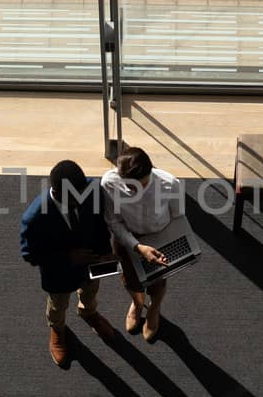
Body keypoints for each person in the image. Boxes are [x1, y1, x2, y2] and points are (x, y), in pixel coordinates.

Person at [19, 159, 115, 367]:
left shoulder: (91, 190)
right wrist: (67, 257)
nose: (82, 198)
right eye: (75, 197)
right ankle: (57, 329)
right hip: (59, 274)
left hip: (92, 264)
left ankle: (88, 312)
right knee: (58, 305)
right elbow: (29, 254)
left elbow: (99, 224)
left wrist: (106, 251)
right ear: (57, 192)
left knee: (90, 293)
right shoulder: (35, 217)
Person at [100, 146, 183, 343]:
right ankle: (137, 304)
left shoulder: (169, 184)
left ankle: (154, 308)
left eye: (141, 185)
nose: (135, 191)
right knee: (129, 280)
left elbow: (178, 217)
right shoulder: (109, 183)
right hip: (127, 239)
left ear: (150, 171)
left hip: (159, 237)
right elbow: (113, 221)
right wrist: (137, 246)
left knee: (158, 282)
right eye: (130, 187)